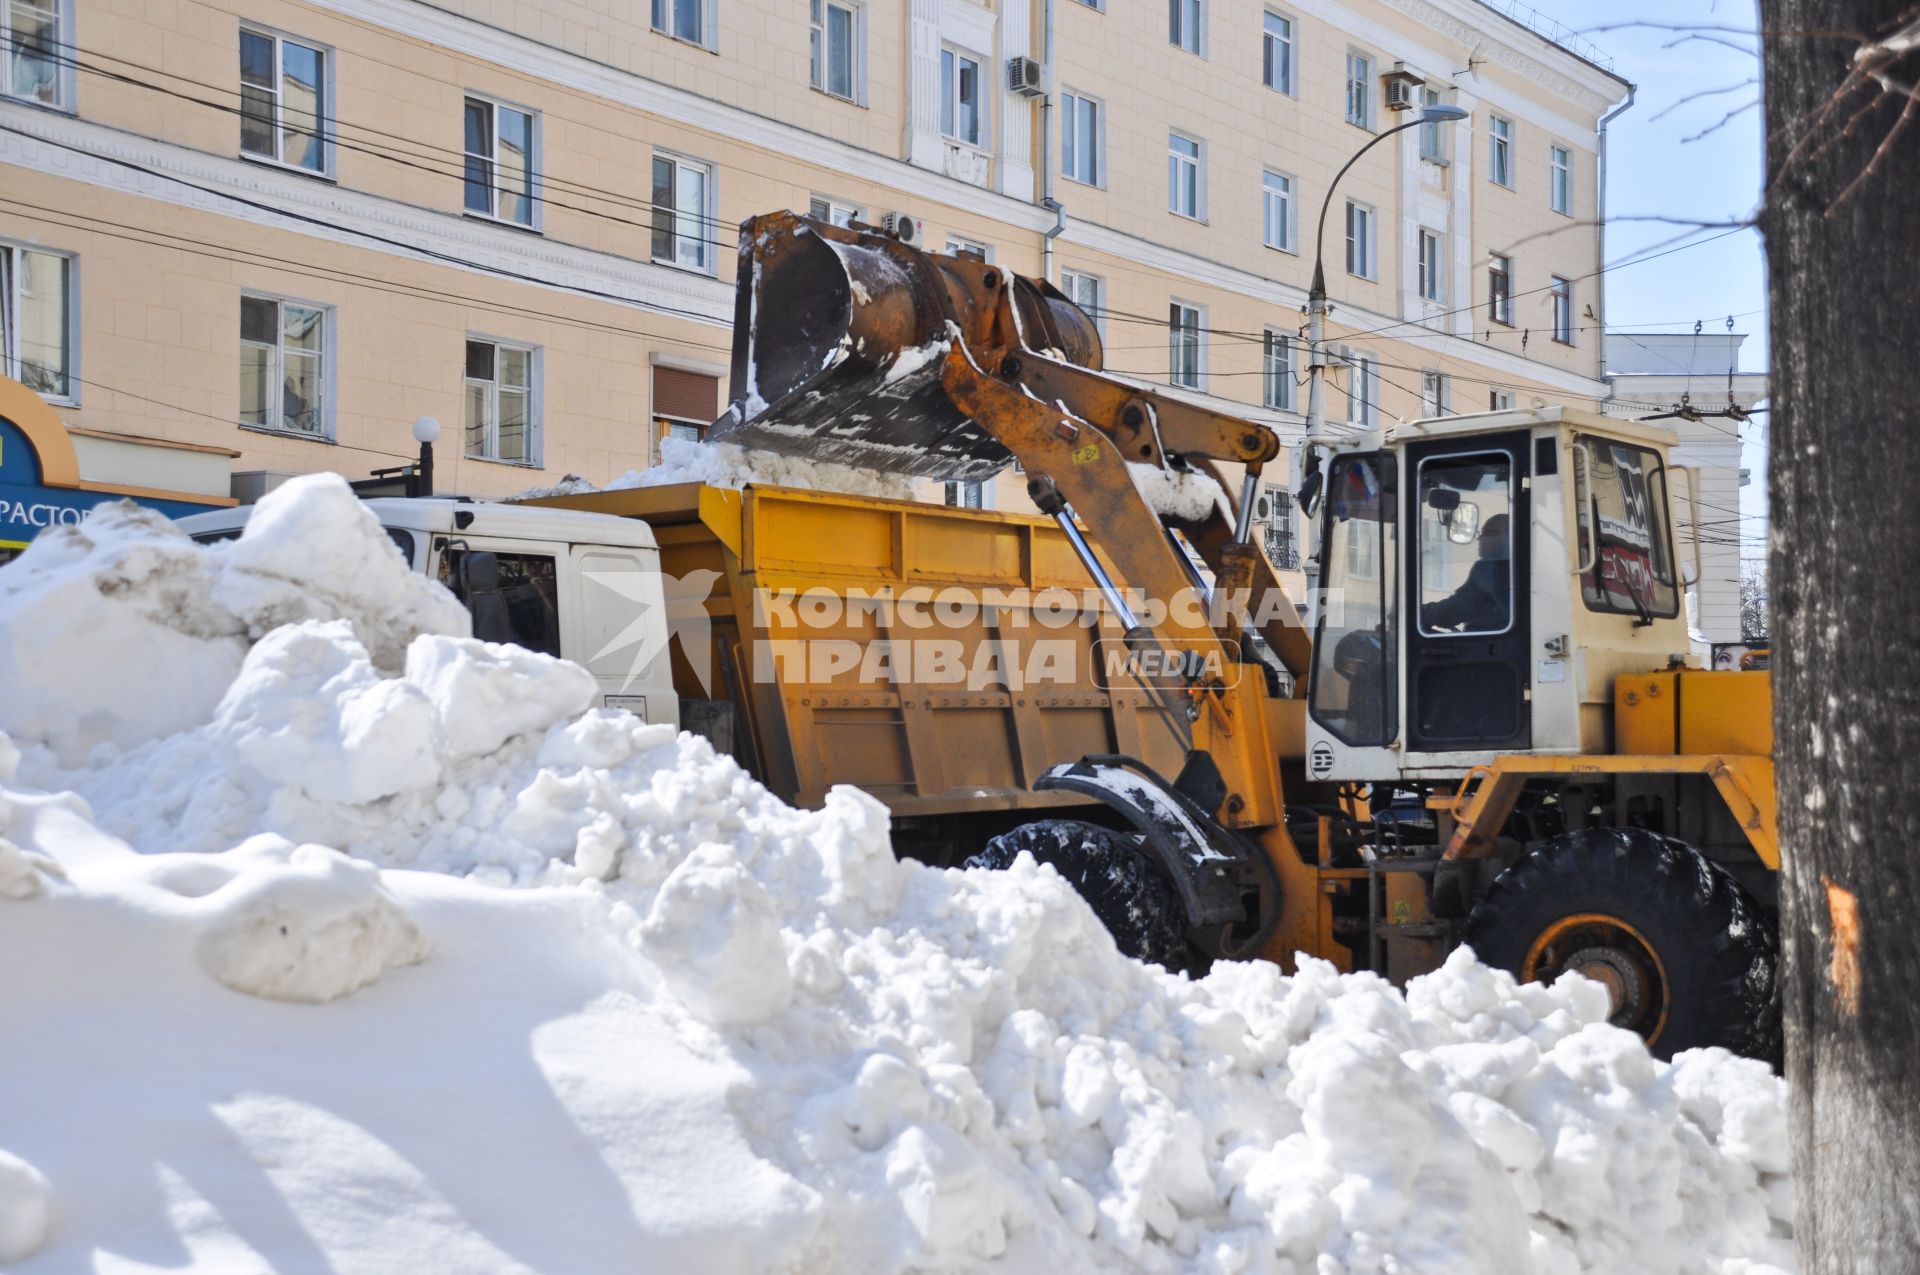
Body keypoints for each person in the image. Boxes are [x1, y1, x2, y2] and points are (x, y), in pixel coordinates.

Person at [1423, 513, 1510, 633]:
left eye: (1489, 533)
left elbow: (1461, 607)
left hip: (1489, 644)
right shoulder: (1510, 567)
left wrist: (1423, 614)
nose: (1480, 538)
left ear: (1507, 538)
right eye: (1481, 533)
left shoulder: (1490, 568)